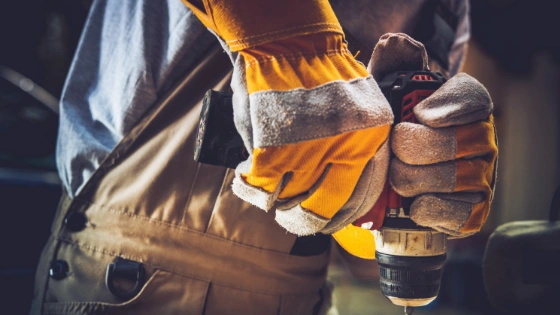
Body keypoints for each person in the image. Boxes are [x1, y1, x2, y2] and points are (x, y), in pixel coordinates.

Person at [31, 0, 497, 314]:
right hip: (135, 274)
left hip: (299, 291)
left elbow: (378, 189)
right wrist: (290, 45)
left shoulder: (447, 9)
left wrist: (399, 199)